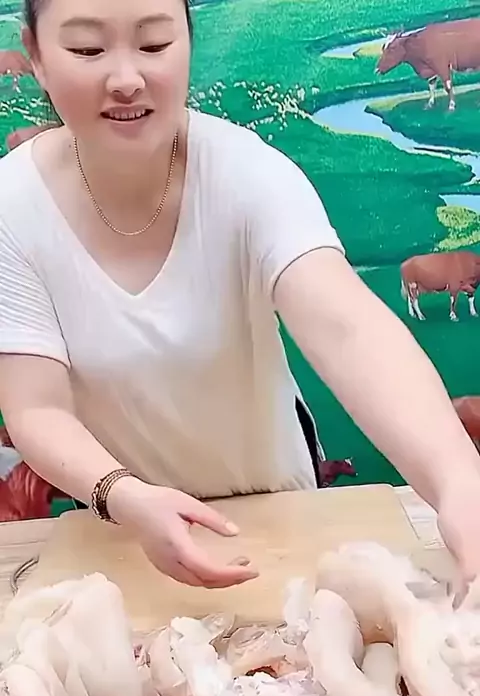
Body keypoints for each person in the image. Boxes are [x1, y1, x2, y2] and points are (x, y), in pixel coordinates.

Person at [0, 0, 480, 589]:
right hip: (122, 527)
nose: (126, 79)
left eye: (153, 45)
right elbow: (37, 407)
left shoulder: (247, 172)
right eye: (87, 49)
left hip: (281, 507)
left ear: (187, 44)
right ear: (36, 55)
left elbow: (348, 328)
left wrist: (458, 481)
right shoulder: (12, 206)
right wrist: (123, 495)